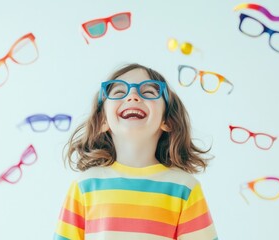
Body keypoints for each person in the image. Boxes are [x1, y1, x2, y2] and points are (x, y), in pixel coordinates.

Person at [54, 63, 218, 240]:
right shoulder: (85, 186)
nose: (132, 96)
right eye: (118, 92)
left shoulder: (185, 188)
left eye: (148, 92)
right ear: (103, 120)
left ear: (167, 120)